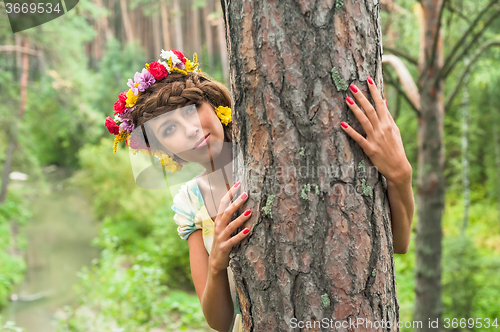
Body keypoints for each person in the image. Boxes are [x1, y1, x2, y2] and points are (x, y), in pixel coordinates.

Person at [105, 49, 414, 332]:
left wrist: (400, 175)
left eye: (190, 109)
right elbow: (219, 323)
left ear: (210, 103)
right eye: (169, 130)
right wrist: (217, 265)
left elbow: (397, 244)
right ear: (164, 151)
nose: (190, 129)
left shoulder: (272, 146)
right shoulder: (191, 202)